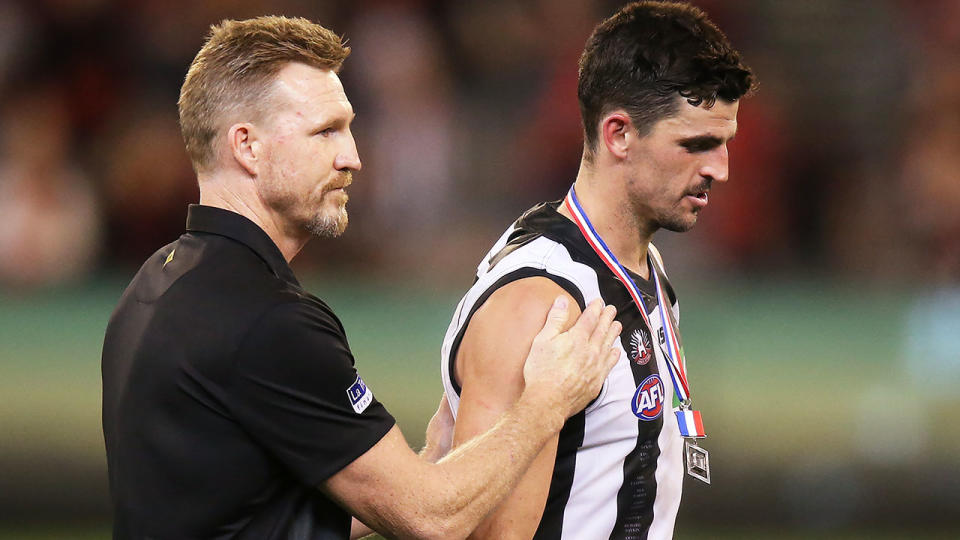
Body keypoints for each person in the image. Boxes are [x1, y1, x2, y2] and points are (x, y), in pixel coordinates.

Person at [101, 16, 623, 540]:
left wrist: (431, 460)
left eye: (349, 127)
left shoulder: (153, 285)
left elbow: (250, 514)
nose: (351, 157)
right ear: (247, 147)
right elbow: (432, 520)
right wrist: (546, 403)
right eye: (325, 131)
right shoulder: (269, 320)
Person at [439, 2, 755, 538]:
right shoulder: (539, 303)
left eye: (724, 144)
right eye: (696, 145)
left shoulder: (642, 265)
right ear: (619, 135)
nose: (719, 170)